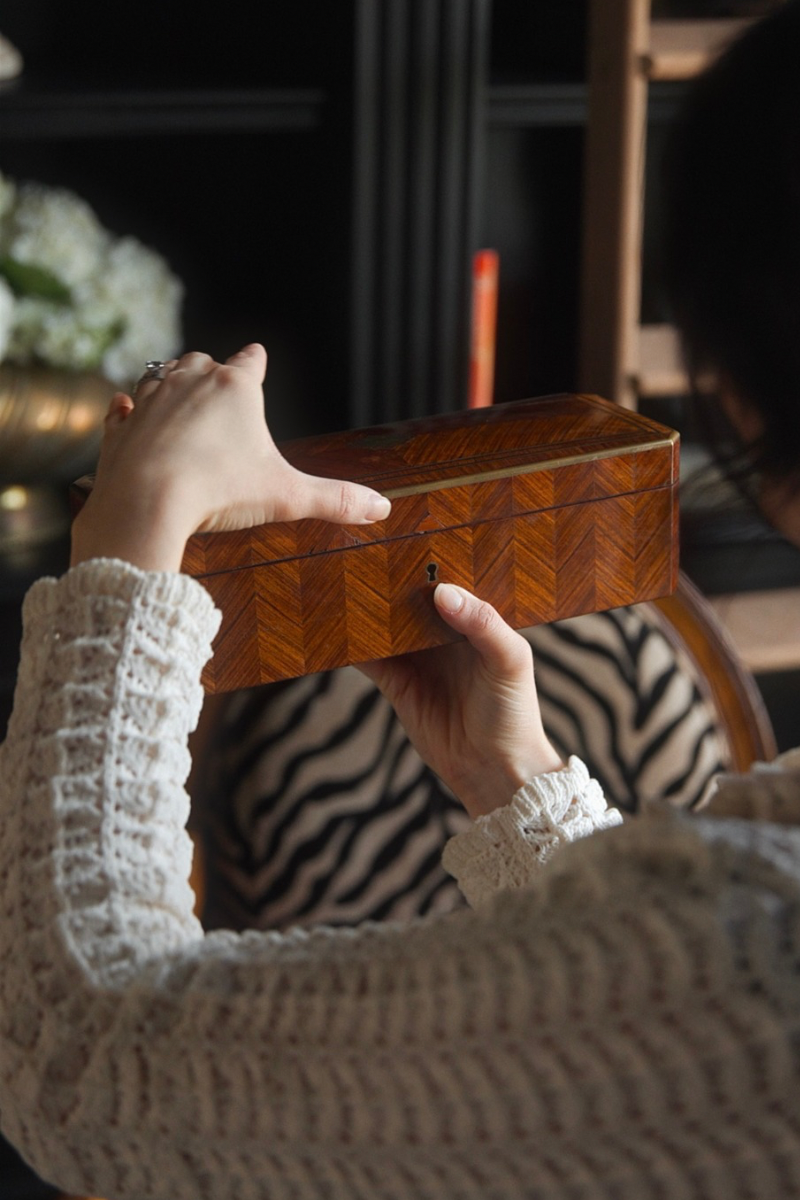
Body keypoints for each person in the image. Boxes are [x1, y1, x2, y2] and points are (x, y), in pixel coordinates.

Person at [2, 6, 800, 1199]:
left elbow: (82, 1059)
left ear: (736, 386)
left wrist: (127, 544)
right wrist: (513, 787)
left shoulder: (754, 969)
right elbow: (636, 1054)